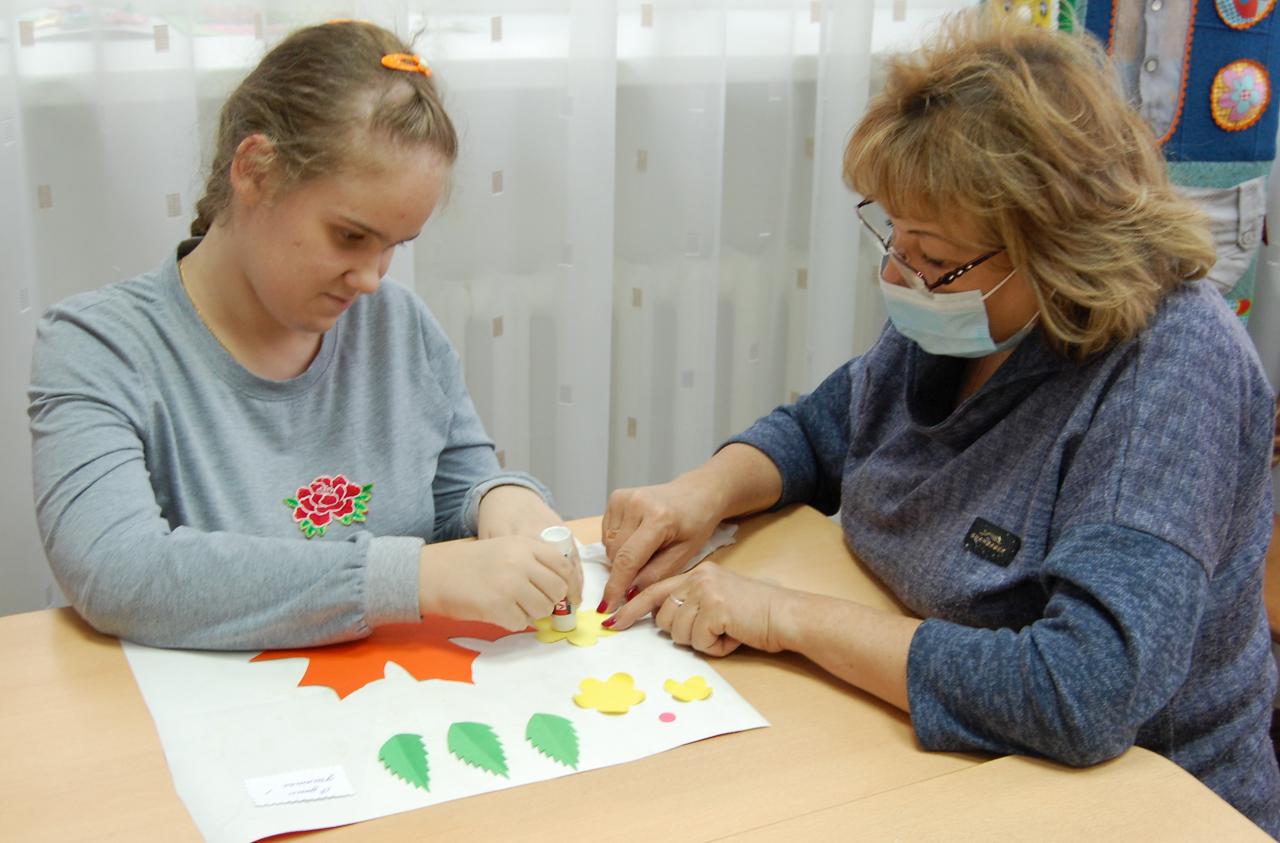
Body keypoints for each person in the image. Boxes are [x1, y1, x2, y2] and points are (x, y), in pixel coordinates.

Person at [598, 11, 1280, 835]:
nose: (899, 274)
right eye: (893, 235)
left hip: (1134, 802)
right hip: (933, 753)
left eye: (932, 257)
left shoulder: (1168, 368)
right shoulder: (968, 312)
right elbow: (824, 430)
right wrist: (699, 493)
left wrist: (783, 616)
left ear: (1055, 248)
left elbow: (1083, 691)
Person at [27, 21, 581, 651]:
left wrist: (500, 498)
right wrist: (410, 577)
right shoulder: (96, 347)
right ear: (255, 171)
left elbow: (459, 491)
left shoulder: (399, 326)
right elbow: (118, 572)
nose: (371, 278)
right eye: (349, 236)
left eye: (394, 245)